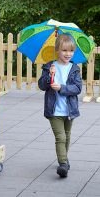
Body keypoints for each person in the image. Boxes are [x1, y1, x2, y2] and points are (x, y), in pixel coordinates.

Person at [38, 33, 82, 178]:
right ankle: (63, 163)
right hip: (54, 109)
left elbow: (77, 88)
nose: (68, 54)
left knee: (67, 136)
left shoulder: (74, 69)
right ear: (57, 50)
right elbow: (42, 86)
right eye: (64, 50)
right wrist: (48, 76)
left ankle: (64, 159)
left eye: (71, 51)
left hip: (69, 109)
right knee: (60, 137)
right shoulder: (49, 66)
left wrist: (61, 88)